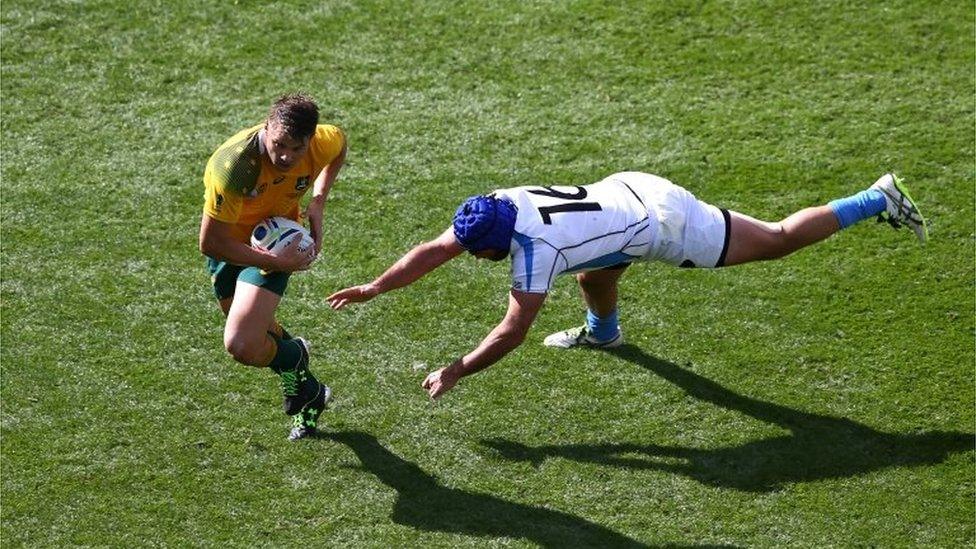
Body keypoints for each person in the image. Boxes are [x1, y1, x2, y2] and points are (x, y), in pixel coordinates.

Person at [327, 171, 926, 400]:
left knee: (775, 239)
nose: (471, 257)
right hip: (628, 193)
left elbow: (513, 330)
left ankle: (877, 198)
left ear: (498, 240)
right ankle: (603, 334)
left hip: (666, 224)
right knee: (595, 272)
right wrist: (375, 288)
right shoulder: (501, 205)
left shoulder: (535, 252)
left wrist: (457, 368)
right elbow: (437, 249)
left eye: (477, 252)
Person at [199, 93, 346, 440]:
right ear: (266, 128)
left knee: (241, 343)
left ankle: (296, 368)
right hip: (231, 249)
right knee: (258, 338)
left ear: (309, 140)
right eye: (279, 144)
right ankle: (306, 384)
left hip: (277, 240)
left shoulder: (320, 144)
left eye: (297, 148)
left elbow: (340, 147)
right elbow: (211, 243)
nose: (286, 156)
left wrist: (319, 202)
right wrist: (276, 261)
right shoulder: (235, 166)